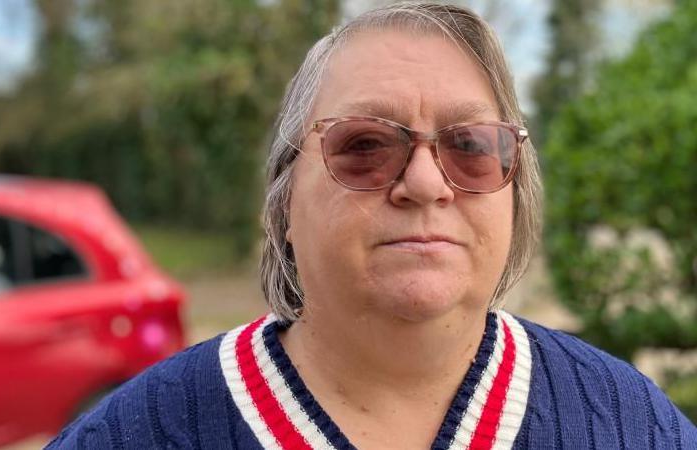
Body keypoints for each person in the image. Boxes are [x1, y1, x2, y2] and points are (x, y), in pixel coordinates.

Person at [46, 2, 697, 449]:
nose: (423, 184)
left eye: (470, 146)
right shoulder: (138, 432)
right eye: (364, 146)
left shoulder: (628, 422)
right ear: (283, 204)